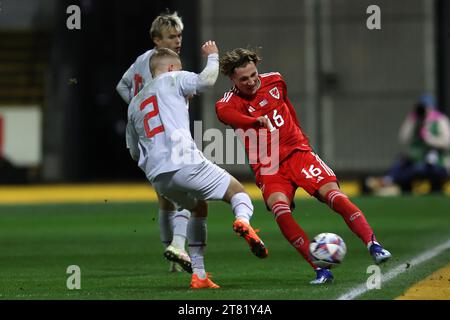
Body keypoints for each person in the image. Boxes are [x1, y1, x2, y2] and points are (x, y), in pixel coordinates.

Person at [215, 48, 391, 285]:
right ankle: (320, 270)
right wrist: (253, 121)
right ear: (232, 79)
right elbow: (228, 116)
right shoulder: (228, 102)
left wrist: (301, 140)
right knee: (280, 210)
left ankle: (374, 245)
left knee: (334, 196)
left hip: (298, 153)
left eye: (253, 74)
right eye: (243, 79)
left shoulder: (276, 81)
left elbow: (288, 108)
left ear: (257, 67)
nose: (251, 82)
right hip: (268, 166)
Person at [126, 43, 268, 289]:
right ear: (171, 68)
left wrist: (154, 168)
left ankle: (199, 275)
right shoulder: (173, 77)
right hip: (184, 161)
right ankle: (243, 221)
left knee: (198, 208)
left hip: (159, 177)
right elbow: (206, 80)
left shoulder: (134, 104)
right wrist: (212, 56)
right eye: (179, 68)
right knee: (238, 193)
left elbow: (134, 150)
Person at [116, 11, 192, 273]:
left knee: (165, 198)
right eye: (171, 37)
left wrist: (135, 111)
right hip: (162, 140)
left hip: (141, 140)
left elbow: (122, 87)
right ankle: (178, 247)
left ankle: (172, 256)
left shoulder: (141, 60)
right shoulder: (159, 65)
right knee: (187, 195)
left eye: (179, 35)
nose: (178, 40)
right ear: (156, 40)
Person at [366, 94, 450, 195]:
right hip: (417, 160)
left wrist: (429, 138)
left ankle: (387, 181)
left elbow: (446, 142)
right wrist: (411, 121)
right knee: (401, 162)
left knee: (417, 169)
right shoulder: (415, 120)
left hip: (436, 163)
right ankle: (388, 181)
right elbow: (403, 138)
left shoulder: (440, 120)